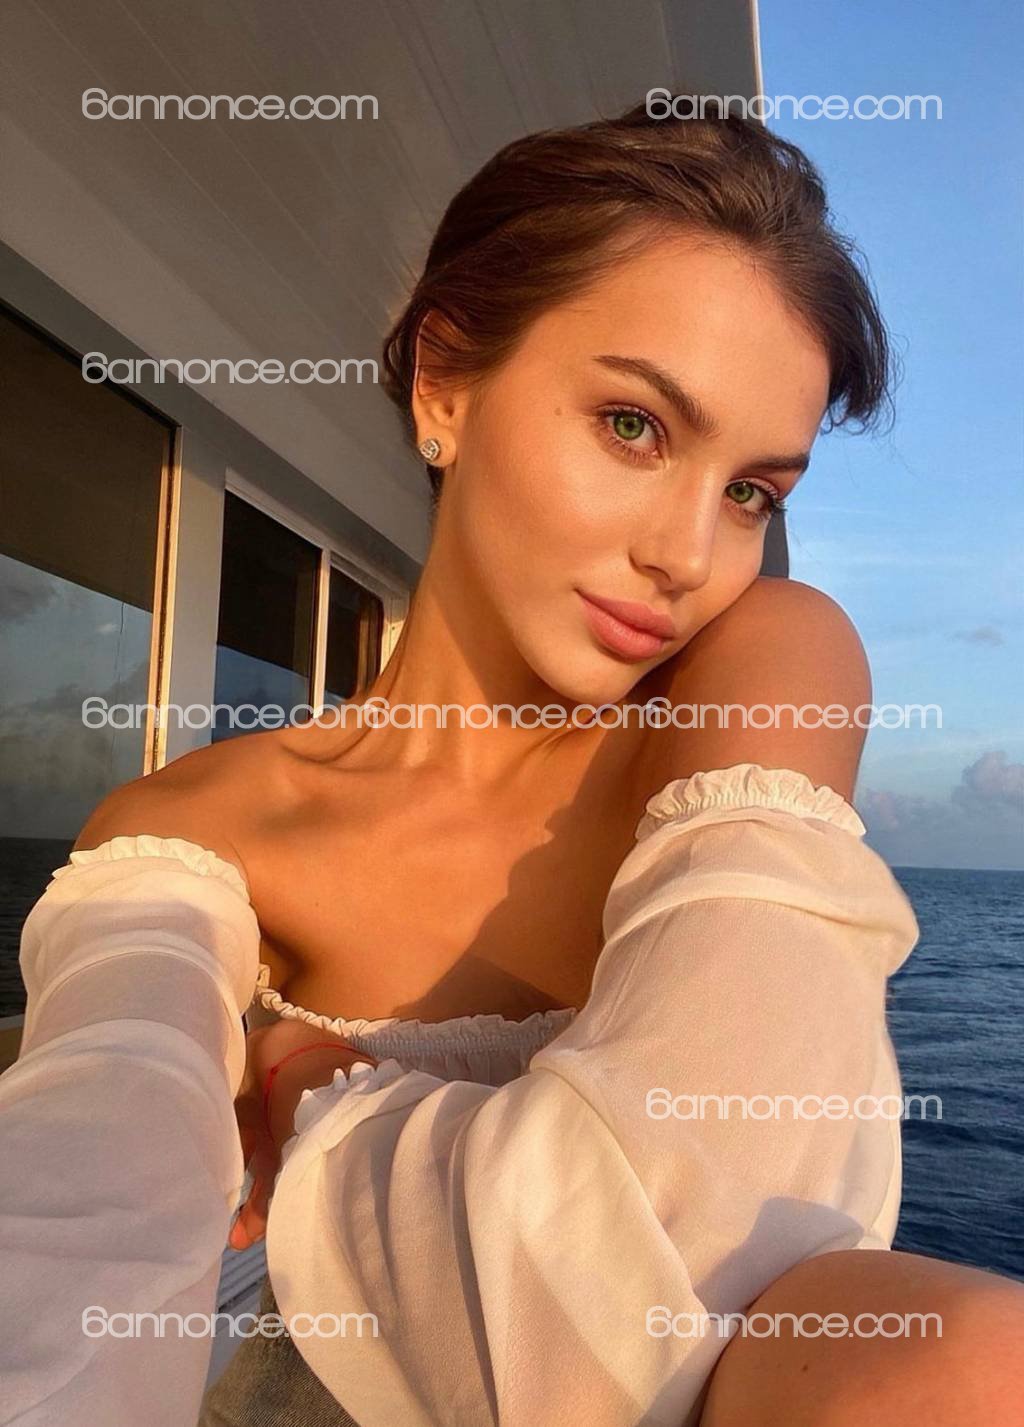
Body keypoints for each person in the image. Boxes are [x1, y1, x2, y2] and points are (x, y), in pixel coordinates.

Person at [2, 103, 1022, 1427]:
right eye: (635, 426)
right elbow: (74, 1230)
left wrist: (313, 1093)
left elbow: (705, 1255)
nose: (689, 555)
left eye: (751, 493)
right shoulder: (191, 830)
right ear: (446, 383)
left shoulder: (764, 668)